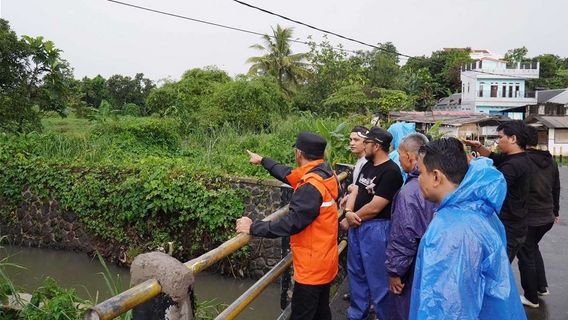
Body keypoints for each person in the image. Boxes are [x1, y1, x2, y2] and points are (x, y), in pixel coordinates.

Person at [410, 138, 526, 320]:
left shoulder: (451, 231)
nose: (418, 179)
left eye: (421, 172)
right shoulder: (479, 208)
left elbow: (447, 309)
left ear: (436, 177)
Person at [235, 131, 339, 320]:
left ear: (299, 153)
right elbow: (289, 175)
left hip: (311, 267)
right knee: (321, 312)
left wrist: (253, 228)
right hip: (326, 261)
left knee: (303, 314)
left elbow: (291, 223)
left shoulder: (310, 187)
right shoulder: (325, 174)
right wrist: (263, 160)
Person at [341, 127, 403, 320]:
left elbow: (376, 207)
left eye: (366, 142)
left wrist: (352, 218)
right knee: (356, 272)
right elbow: (356, 191)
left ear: (376, 146)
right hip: (358, 225)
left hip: (377, 229)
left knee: (378, 278)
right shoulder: (367, 165)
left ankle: (384, 315)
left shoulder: (391, 172)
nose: (363, 145)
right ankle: (357, 313)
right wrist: (348, 212)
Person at [464, 120, 532, 262]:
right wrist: (479, 147)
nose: (497, 142)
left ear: (513, 139)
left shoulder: (513, 165)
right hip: (516, 224)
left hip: (509, 228)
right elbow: (494, 157)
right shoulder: (517, 158)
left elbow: (491, 187)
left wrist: (473, 166)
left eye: (500, 137)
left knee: (497, 271)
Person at [384, 133, 436, 320]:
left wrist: (395, 272)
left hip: (412, 267)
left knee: (405, 309)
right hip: (430, 263)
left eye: (399, 153)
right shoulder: (436, 184)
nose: (398, 158)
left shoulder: (410, 192)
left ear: (409, 156)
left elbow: (404, 236)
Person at [516, 125, 561, 308]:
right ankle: (541, 287)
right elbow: (556, 187)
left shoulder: (522, 161)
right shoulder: (550, 160)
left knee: (525, 254)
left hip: (530, 217)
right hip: (547, 216)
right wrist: (555, 211)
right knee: (533, 248)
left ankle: (531, 297)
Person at [340, 126, 369, 209]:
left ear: (366, 142)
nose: (352, 143)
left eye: (356, 140)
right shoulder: (361, 160)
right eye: (351, 139)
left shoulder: (367, 163)